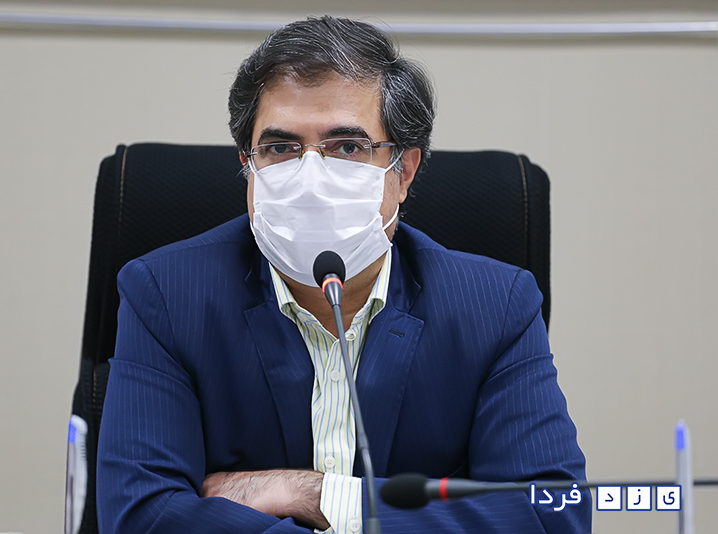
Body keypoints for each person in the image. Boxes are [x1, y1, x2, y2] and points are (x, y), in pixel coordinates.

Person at [97, 15, 591, 534]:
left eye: (347, 147)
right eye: (281, 148)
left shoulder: (495, 306)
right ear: (248, 165)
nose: (311, 178)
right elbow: (140, 516)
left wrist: (314, 495)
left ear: (403, 171)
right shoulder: (166, 294)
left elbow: (551, 513)